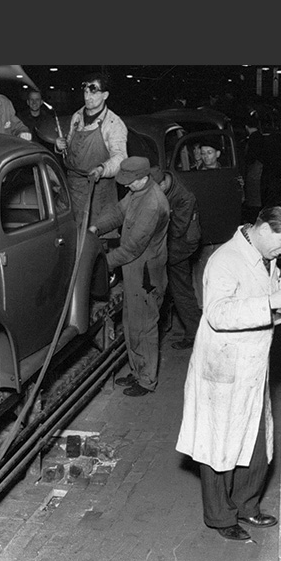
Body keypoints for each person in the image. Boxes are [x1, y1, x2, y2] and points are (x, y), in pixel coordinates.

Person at [176, 204, 281, 541]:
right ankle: (221, 517)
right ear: (266, 229)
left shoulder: (261, 254)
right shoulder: (225, 260)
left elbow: (263, 283)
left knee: (256, 441)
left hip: (253, 364)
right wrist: (271, 303)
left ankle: (246, 505)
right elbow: (218, 313)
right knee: (219, 444)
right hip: (224, 366)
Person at [90, 157, 169, 397]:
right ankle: (137, 371)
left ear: (143, 178)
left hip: (146, 272)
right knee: (131, 322)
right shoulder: (137, 191)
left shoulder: (153, 204)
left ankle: (146, 380)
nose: (125, 186)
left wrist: (102, 263)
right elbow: (118, 212)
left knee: (144, 326)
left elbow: (133, 247)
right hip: (133, 268)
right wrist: (96, 227)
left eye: (129, 182)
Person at [55, 72, 128, 227]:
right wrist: (61, 146)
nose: (87, 97)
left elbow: (121, 158)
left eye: (93, 93)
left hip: (97, 192)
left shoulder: (114, 123)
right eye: (86, 92)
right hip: (72, 187)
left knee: (93, 239)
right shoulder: (77, 116)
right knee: (66, 231)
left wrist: (102, 169)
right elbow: (72, 147)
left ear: (105, 95)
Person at [150, 167, 202, 350]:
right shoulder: (165, 183)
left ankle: (194, 333)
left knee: (181, 288)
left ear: (163, 183)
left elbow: (177, 229)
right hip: (171, 241)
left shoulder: (184, 197)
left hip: (181, 245)